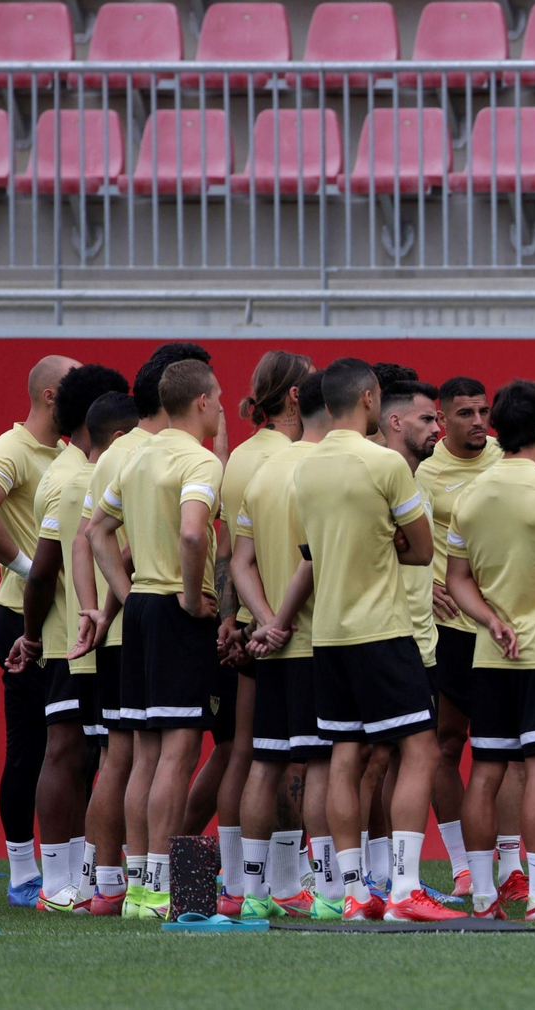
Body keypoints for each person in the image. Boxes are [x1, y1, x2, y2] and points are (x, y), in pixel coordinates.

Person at [251, 358, 458, 923]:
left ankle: (352, 893)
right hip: (382, 629)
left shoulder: (305, 468)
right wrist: (384, 540)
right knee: (420, 749)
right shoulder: (385, 462)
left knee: (344, 755)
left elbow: (311, 555)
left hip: (329, 636)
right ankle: (405, 890)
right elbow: (421, 549)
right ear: (370, 399)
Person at [442, 380, 535, 920]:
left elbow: (456, 579)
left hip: (489, 653)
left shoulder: (469, 496)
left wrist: (490, 620)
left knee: (485, 772)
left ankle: (484, 897)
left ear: (497, 429)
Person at [70, 343, 211, 917]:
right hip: (174, 610)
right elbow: (194, 534)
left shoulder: (133, 456)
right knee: (177, 753)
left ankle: (139, 888)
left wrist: (128, 598)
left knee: (141, 756)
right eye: (217, 398)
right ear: (202, 402)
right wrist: (192, 598)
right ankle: (159, 890)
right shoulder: (200, 461)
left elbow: (96, 533)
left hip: (142, 611)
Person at [4, 364, 129, 912]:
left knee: (85, 755)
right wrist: (32, 636)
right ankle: (59, 882)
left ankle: (79, 878)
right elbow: (44, 569)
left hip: (78, 633)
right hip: (82, 637)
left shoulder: (72, 469)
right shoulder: (78, 477)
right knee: (73, 751)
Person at [0, 354, 78, 905]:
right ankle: (23, 873)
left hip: (63, 617)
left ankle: (73, 870)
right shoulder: (12, 449)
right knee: (31, 748)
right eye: (74, 383)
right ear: (51, 395)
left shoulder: (69, 451)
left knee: (74, 746)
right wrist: (32, 571)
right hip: (21, 618)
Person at [200, 350, 312, 895]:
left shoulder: (240, 458)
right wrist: (274, 623)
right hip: (294, 627)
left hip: (253, 623)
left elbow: (228, 551)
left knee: (245, 752)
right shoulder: (299, 460)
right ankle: (288, 881)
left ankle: (237, 880)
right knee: (298, 758)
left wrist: (235, 620)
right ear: (296, 396)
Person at [228, 371, 336, 921]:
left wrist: (267, 623)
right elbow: (315, 559)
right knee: (321, 764)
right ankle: (328, 893)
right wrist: (285, 621)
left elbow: (239, 562)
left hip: (273, 646)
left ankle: (252, 891)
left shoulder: (264, 471)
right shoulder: (327, 470)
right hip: (318, 640)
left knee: (265, 762)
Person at [415, 376, 506, 899]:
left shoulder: (507, 458)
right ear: (442, 418)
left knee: (511, 750)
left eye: (483, 412)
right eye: (466, 413)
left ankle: (512, 867)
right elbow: (403, 539)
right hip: (451, 630)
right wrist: (425, 584)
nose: (478, 422)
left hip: (506, 626)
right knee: (447, 743)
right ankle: (462, 867)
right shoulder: (425, 473)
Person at [58, 392, 140, 914]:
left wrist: (93, 611)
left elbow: (83, 542)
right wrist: (116, 606)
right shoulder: (137, 457)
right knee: (132, 756)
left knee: (115, 756)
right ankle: (119, 882)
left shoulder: (100, 469)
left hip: (110, 632)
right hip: (135, 630)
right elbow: (125, 544)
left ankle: (99, 880)